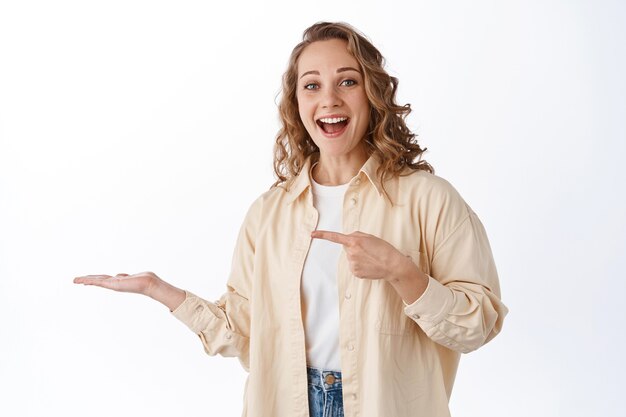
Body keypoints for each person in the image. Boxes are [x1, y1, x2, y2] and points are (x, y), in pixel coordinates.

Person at [74, 21, 508, 417]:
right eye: (312, 85)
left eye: (347, 82)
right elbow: (246, 336)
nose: (330, 100)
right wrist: (159, 290)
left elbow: (479, 325)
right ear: (297, 102)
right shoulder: (269, 213)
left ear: (372, 94)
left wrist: (402, 272)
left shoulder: (429, 199)